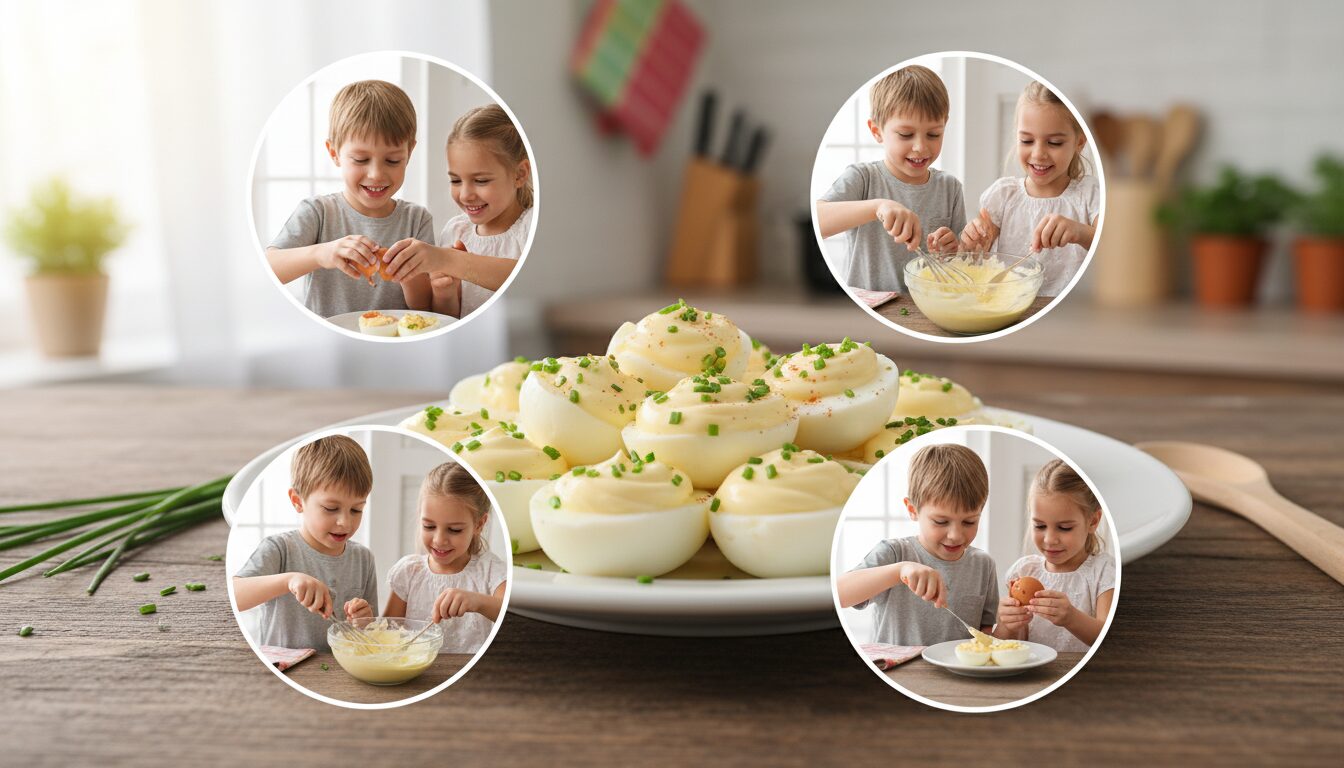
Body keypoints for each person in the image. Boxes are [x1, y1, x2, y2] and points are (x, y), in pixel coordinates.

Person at [265, 80, 434, 316]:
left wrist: (408, 274)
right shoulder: (318, 212)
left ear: (409, 152)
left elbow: (425, 307)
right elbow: (268, 267)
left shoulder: (416, 219)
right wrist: (322, 254)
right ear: (334, 153)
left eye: (393, 160)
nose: (376, 174)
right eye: (360, 160)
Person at [816, 65, 966, 292]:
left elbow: (962, 261)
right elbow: (818, 221)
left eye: (933, 134)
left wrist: (952, 249)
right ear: (877, 131)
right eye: (906, 135)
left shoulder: (950, 188)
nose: (920, 146)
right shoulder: (862, 178)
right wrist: (877, 207)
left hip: (925, 307)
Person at [380, 104, 533, 319]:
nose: (465, 195)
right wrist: (445, 292)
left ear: (519, 174)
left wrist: (448, 260)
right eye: (456, 181)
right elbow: (448, 317)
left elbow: (529, 278)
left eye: (481, 180)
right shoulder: (456, 231)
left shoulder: (531, 225)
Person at [836, 443, 997, 646]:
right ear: (912, 510)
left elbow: (986, 631)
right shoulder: (894, 553)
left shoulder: (984, 565)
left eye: (969, 522)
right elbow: (839, 593)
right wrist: (899, 571)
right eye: (941, 521)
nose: (955, 535)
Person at [233, 435, 378, 651]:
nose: (345, 522)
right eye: (331, 508)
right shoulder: (279, 549)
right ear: (297, 501)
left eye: (356, 510)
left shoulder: (363, 559)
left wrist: (365, 619)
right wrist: (289, 581)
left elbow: (371, 631)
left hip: (341, 667)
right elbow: (235, 595)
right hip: (284, 666)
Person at [960, 81, 1100, 296]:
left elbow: (1115, 250)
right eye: (1026, 141)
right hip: (1010, 306)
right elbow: (973, 256)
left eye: (1054, 142)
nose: (1038, 154)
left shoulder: (1090, 195)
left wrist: (1080, 232)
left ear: (1079, 143)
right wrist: (972, 241)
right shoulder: (1003, 195)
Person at [383, 462, 507, 654]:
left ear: (479, 524)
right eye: (429, 526)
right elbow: (386, 634)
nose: (439, 540)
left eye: (454, 530)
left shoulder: (491, 570)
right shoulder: (408, 572)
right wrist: (364, 619)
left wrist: (478, 601)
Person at [994, 459, 1116, 650]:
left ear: (1093, 521)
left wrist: (1072, 618)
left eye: (1064, 527)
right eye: (1040, 526)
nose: (1050, 539)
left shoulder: (1103, 572)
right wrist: (1006, 625)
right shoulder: (1024, 571)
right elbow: (1004, 646)